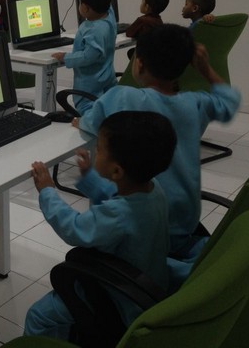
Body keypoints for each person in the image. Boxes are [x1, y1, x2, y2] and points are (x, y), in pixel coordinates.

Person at [73, 24, 241, 259]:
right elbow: (230, 102)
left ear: (139, 63)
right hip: (183, 225)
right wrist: (206, 69)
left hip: (132, 227)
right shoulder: (195, 104)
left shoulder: (120, 97)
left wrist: (77, 121)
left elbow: (90, 122)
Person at [24, 111, 176, 339]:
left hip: (118, 296)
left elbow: (74, 227)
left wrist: (47, 191)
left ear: (117, 171)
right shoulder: (153, 190)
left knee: (39, 316)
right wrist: (89, 176)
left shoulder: (118, 214)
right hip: (147, 283)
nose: (96, 151)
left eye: (100, 149)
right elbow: (116, 196)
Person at [52, 0, 117, 115]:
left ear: (86, 8)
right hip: (107, 77)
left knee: (89, 111)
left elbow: (89, 56)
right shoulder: (109, 15)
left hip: (89, 84)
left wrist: (66, 58)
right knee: (106, 107)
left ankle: (87, 124)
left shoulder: (94, 29)